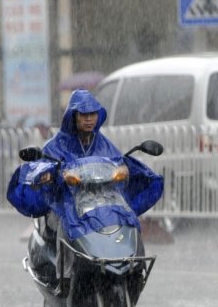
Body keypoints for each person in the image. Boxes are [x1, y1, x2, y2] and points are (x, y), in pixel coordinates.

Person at [14, 89, 162, 294]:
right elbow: (43, 167)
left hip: (101, 203)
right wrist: (52, 174)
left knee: (126, 218)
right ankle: (63, 280)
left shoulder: (104, 144)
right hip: (66, 203)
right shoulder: (55, 145)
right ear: (73, 116)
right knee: (64, 221)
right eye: (83, 114)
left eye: (92, 114)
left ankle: (131, 266)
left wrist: (123, 171)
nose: (88, 119)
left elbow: (116, 163)